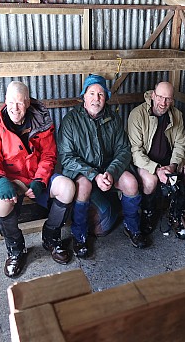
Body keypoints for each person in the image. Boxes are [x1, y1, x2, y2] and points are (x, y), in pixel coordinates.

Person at [0, 81, 75, 278]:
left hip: (36, 177)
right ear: (5, 101)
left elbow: (49, 156)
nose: (15, 108)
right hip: (12, 181)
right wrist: (0, 181)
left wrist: (40, 181)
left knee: (67, 187)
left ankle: (51, 237)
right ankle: (16, 249)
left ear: (28, 102)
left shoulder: (41, 121)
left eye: (20, 103)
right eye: (11, 102)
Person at [57, 74, 149, 258]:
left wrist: (111, 172)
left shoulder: (113, 118)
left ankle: (132, 227)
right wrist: (93, 175)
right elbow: (66, 157)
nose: (96, 98)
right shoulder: (70, 121)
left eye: (100, 94)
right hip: (83, 171)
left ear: (106, 97)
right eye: (91, 93)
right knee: (83, 186)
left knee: (131, 183)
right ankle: (79, 235)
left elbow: (124, 150)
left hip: (108, 170)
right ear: (84, 96)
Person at [127, 81, 185, 239]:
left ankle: (178, 216)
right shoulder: (137, 115)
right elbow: (135, 151)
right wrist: (156, 169)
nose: (163, 103)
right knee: (150, 181)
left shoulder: (176, 115)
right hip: (145, 163)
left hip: (168, 162)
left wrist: (172, 166)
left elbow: (181, 145)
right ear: (153, 95)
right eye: (160, 97)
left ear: (172, 100)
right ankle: (147, 215)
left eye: (168, 99)